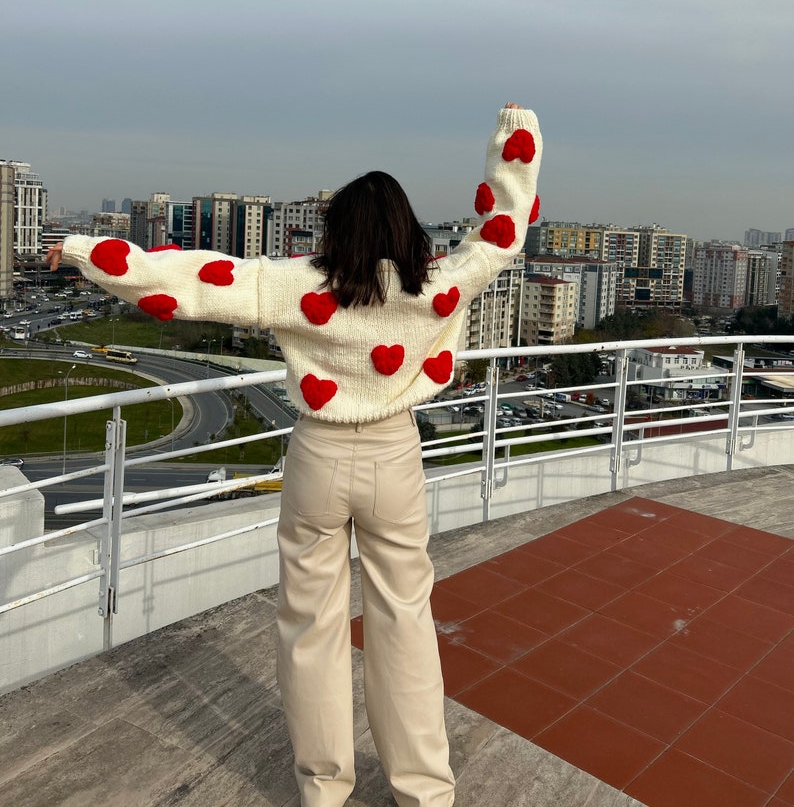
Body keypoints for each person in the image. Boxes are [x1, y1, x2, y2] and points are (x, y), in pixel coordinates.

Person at [47, 102, 543, 807]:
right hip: (396, 456)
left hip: (317, 455)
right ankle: (425, 790)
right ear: (407, 229)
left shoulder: (298, 285)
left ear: (337, 230)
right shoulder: (437, 286)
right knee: (404, 616)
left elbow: (185, 281)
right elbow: (503, 235)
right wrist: (514, 139)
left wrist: (78, 250)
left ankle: (323, 788)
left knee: (311, 625)